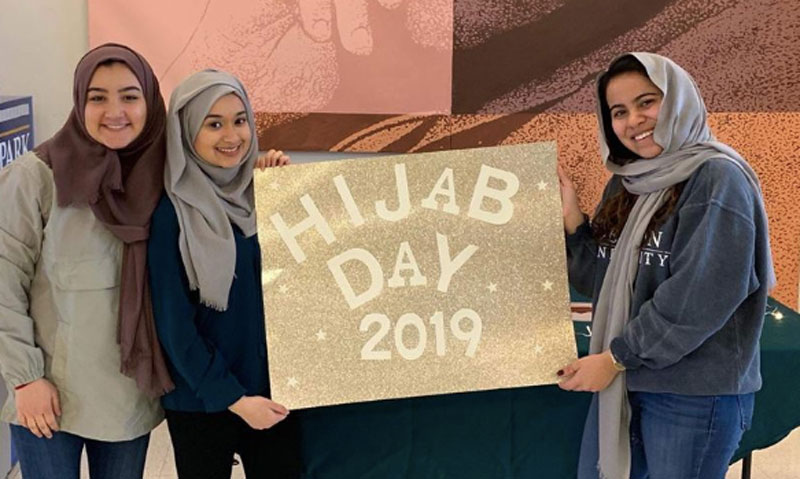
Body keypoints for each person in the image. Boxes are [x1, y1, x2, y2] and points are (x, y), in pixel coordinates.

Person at [556, 52, 775, 479]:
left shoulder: (716, 179)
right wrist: (573, 219)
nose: (633, 120)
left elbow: (698, 297)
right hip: (630, 384)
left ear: (678, 100)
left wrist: (616, 357)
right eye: (618, 112)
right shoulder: (628, 182)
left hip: (691, 395)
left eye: (646, 102)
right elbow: (596, 278)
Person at [0, 43, 174, 479]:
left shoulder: (167, 176)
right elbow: (2, 281)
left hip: (128, 395)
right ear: (80, 102)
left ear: (149, 101)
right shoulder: (36, 176)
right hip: (48, 394)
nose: (114, 110)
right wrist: (24, 379)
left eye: (130, 96)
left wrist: (268, 175)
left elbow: (224, 205)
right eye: (98, 97)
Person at [148, 69, 299, 479]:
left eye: (239, 120)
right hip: (201, 398)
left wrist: (286, 189)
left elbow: (300, 286)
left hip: (273, 391)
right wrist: (234, 398)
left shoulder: (265, 194)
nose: (231, 136)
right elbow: (174, 327)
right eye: (213, 124)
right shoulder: (171, 216)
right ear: (186, 132)